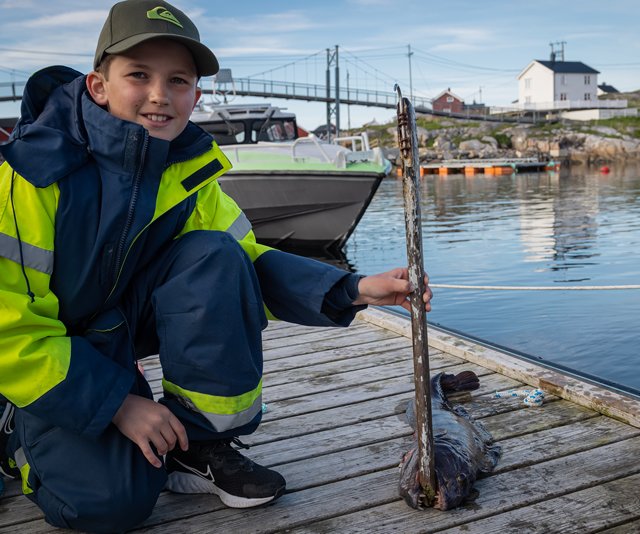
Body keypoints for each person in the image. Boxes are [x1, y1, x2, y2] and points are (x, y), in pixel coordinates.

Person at [0, 1, 431, 531]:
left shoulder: (187, 172)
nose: (160, 94)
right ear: (97, 86)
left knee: (216, 254)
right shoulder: (32, 177)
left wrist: (353, 287)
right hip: (42, 353)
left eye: (177, 80)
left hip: (112, 334)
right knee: (105, 506)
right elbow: (9, 328)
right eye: (139, 74)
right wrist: (117, 406)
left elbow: (244, 263)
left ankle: (198, 442)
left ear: (195, 96)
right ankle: (10, 427)